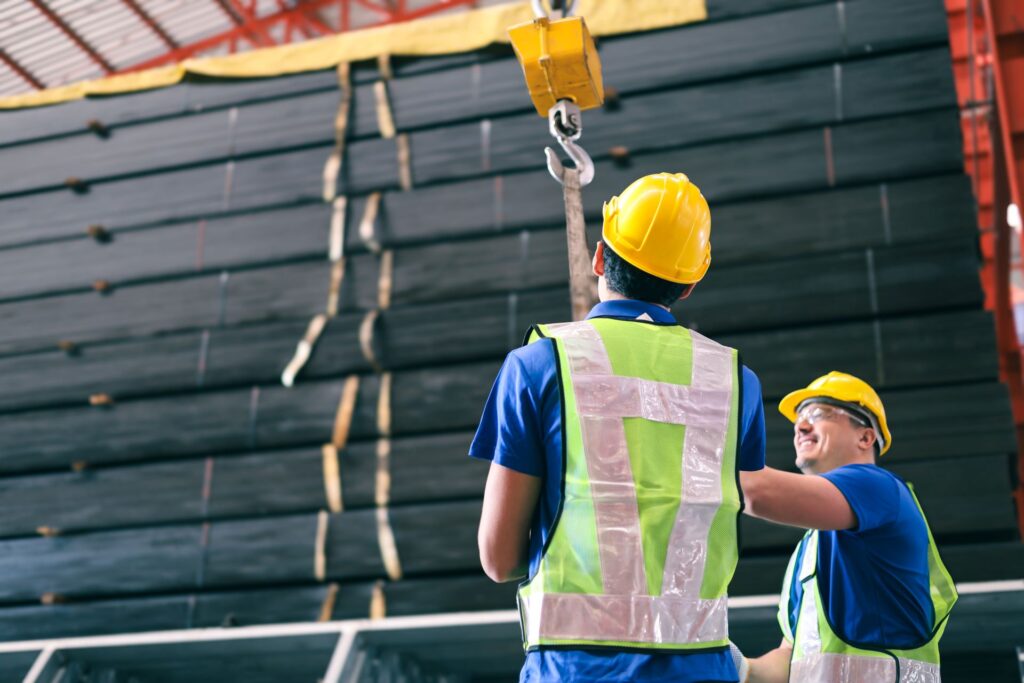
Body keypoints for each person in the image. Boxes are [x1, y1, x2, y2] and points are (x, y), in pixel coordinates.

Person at [471, 172, 767, 682]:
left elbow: (499, 558)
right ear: (691, 283)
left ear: (599, 257)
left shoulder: (539, 365)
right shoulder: (735, 382)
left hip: (575, 672)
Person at [733, 372, 957, 683]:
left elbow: (756, 493)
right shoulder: (809, 550)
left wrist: (697, 457)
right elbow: (790, 657)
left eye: (819, 413)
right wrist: (740, 668)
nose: (800, 426)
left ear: (865, 437)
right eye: (799, 418)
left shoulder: (878, 487)